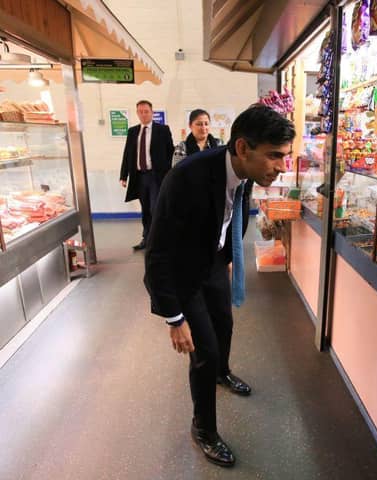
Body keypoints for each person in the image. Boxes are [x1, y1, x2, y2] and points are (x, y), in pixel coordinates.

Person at [144, 105, 295, 467]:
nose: (281, 166)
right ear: (243, 148)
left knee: (224, 325)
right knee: (204, 350)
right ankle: (203, 429)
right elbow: (158, 252)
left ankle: (222, 373)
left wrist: (226, 259)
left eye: (285, 156)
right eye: (275, 156)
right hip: (184, 273)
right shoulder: (186, 178)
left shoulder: (245, 175)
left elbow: (230, 216)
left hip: (212, 261)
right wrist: (174, 317)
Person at [119, 100, 174, 251]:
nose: (143, 114)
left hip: (156, 176)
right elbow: (127, 155)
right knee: (145, 209)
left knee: (155, 208)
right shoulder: (133, 131)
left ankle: (159, 239)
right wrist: (123, 175)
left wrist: (169, 174)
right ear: (137, 113)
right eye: (140, 112)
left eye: (146, 111)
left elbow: (171, 152)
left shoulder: (162, 130)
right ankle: (147, 238)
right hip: (140, 177)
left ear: (152, 112)